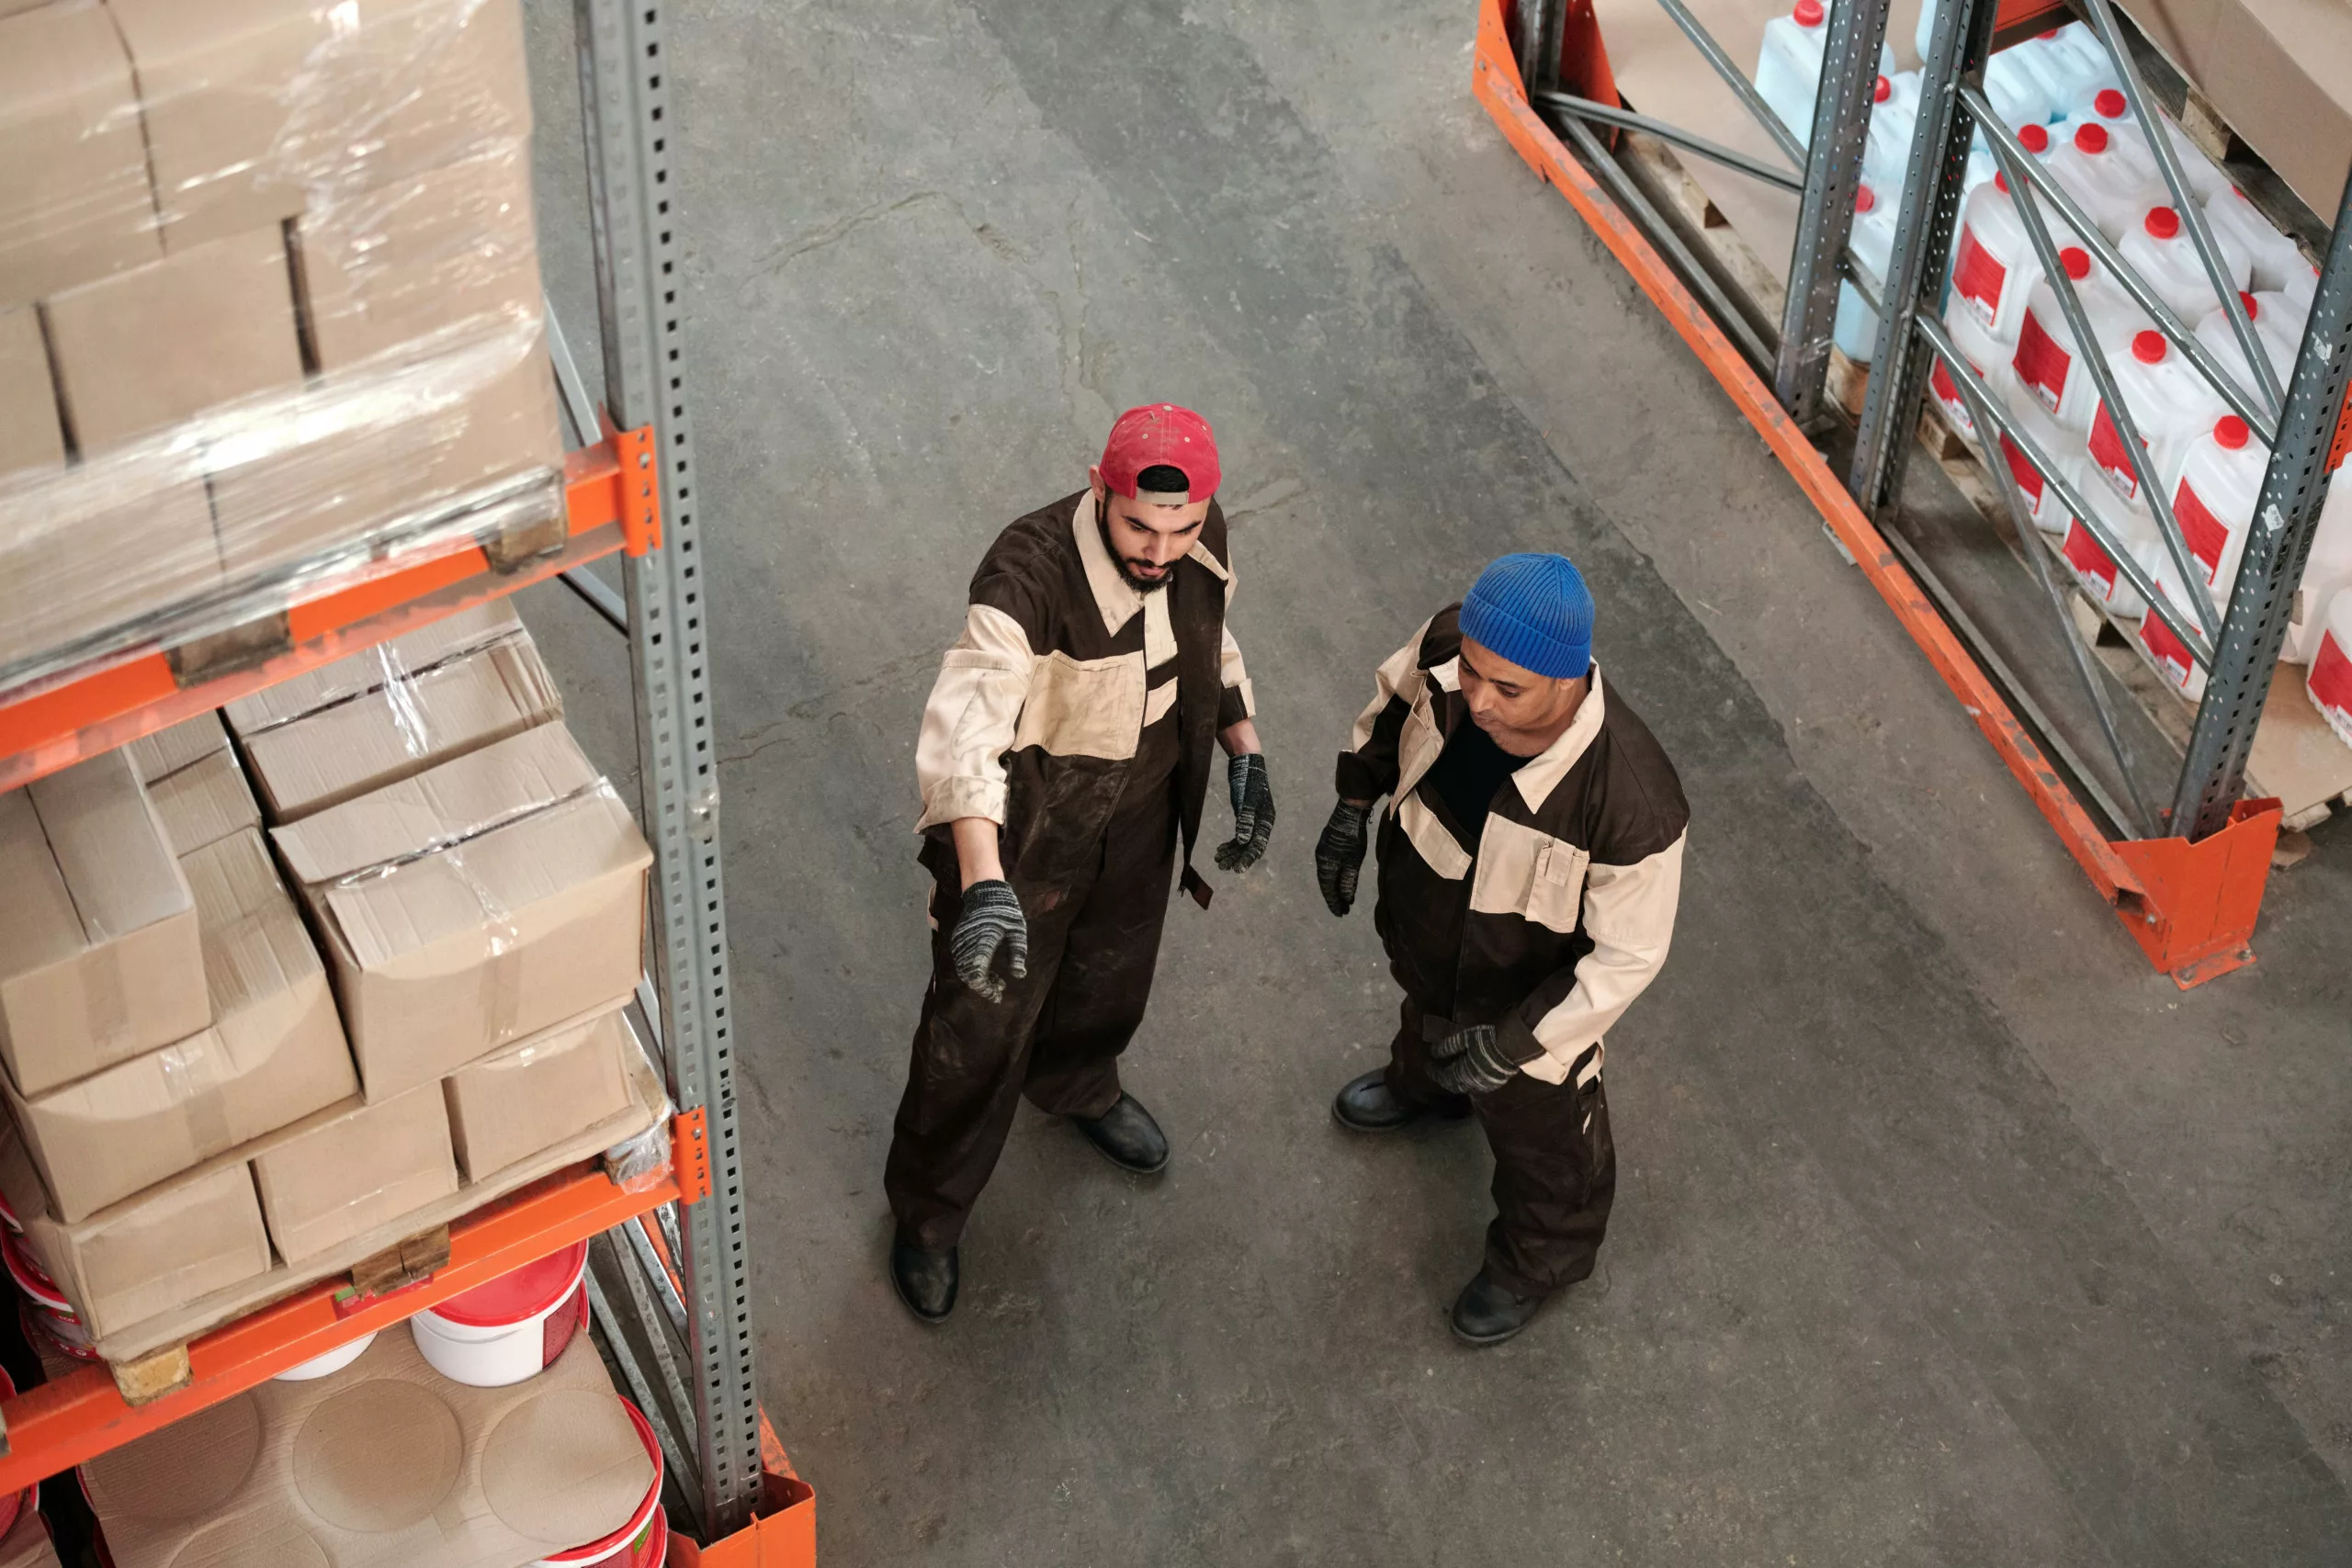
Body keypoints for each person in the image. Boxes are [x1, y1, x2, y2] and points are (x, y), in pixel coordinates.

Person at [884, 403, 1273, 1323]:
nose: (1159, 548)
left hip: (1140, 807)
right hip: (1029, 831)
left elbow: (1211, 638)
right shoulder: (1027, 578)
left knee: (1111, 969)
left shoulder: (1196, 537)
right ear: (1101, 489)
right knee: (976, 1030)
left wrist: (1242, 746)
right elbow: (965, 732)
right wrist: (983, 883)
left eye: (1179, 529)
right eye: (1139, 524)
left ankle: (1077, 1084)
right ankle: (930, 1217)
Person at [1315, 553, 1687, 1346]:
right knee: (1425, 1024)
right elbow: (1392, 706)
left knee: (1547, 1147)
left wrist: (1519, 1041)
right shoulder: (1456, 642)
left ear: (1568, 678)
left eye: (1507, 688)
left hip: (1529, 1012)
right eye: (1472, 673)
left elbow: (1627, 957)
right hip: (1428, 938)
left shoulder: (1630, 801)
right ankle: (1428, 1089)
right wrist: (1353, 804)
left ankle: (1537, 1264)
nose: (1477, 699)